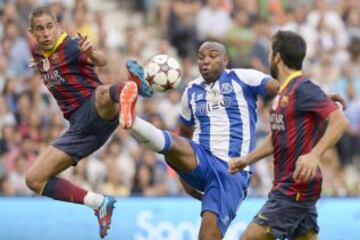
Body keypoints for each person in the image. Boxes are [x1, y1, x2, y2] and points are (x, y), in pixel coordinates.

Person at [118, 41, 279, 239]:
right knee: (171, 142)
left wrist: (310, 98)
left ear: (225, 60)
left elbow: (280, 87)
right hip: (201, 159)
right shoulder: (191, 91)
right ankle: (131, 118)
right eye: (201, 57)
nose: (205, 61)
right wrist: (184, 177)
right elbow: (184, 135)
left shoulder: (243, 77)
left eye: (212, 56)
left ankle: (132, 120)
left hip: (232, 171)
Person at [24, 7, 153, 239]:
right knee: (33, 179)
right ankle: (98, 202)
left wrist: (91, 52)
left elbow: (101, 60)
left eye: (49, 26)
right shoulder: (36, 53)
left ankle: (128, 88)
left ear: (58, 26)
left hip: (94, 107)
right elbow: (46, 63)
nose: (45, 33)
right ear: (32, 32)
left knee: (103, 93)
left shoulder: (72, 46)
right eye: (40, 29)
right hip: (79, 129)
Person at [228, 30, 349, 240]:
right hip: (296, 184)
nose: (268, 58)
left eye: (269, 53)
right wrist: (247, 159)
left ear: (277, 56)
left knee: (248, 238)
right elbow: (277, 136)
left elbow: (340, 121)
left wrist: (315, 154)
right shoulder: (285, 93)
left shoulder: (303, 88)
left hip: (294, 187)